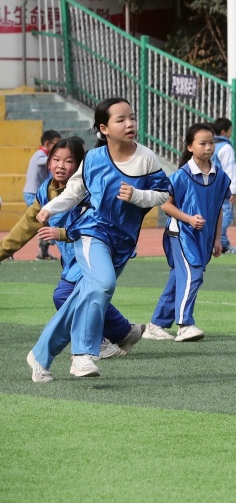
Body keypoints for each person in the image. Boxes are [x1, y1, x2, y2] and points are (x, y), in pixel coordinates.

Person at [26, 98, 170, 382]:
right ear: (104, 128)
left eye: (131, 117)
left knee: (82, 297)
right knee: (103, 284)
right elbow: (74, 192)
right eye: (120, 119)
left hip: (123, 242)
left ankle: (40, 355)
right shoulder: (92, 158)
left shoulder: (146, 158)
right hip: (92, 232)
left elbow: (163, 194)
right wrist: (50, 208)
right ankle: (82, 355)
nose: (129, 124)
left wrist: (138, 196)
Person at [1, 137, 145, 360]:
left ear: (79, 166)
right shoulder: (45, 191)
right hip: (72, 259)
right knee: (85, 294)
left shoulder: (89, 190)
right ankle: (124, 332)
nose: (60, 166)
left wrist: (61, 233)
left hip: (97, 250)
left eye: (68, 161)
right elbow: (25, 226)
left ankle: (98, 343)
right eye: (56, 159)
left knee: (65, 295)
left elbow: (96, 223)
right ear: (49, 162)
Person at [144, 123, 230, 343]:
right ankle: (184, 324)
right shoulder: (180, 176)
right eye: (203, 143)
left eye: (211, 142)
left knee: (178, 279)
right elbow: (166, 205)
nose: (209, 147)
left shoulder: (220, 177)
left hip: (204, 236)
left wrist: (218, 238)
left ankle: (155, 325)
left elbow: (218, 208)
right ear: (190, 147)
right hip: (181, 233)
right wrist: (189, 219)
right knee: (193, 274)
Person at [24, 129, 61, 260]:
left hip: (35, 193)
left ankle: (43, 251)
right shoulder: (39, 155)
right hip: (33, 194)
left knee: (45, 221)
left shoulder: (43, 155)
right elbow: (44, 162)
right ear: (47, 143)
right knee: (47, 219)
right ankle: (43, 250)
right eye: (56, 143)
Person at [213, 117, 236, 254]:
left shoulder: (211, 146)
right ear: (224, 132)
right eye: (230, 131)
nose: (231, 133)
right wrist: (233, 191)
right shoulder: (226, 148)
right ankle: (219, 243)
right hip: (223, 189)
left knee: (216, 215)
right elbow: (230, 169)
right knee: (226, 216)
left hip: (210, 187)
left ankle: (224, 244)